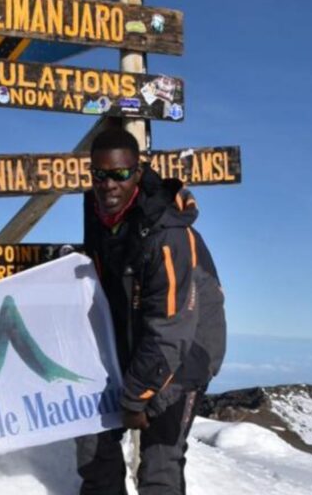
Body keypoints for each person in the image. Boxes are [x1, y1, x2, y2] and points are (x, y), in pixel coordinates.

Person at [77, 128, 226, 495]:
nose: (108, 184)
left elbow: (171, 328)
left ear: (138, 173)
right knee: (92, 447)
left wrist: (135, 398)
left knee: (160, 465)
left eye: (120, 174)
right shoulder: (96, 209)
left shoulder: (167, 236)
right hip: (131, 340)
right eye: (100, 174)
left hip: (185, 352)